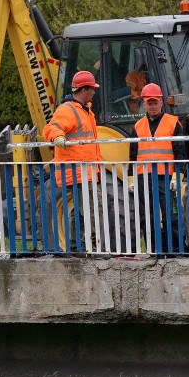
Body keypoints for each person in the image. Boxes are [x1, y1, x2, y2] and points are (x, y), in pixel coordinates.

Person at [42, 70, 122, 252]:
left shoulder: (85, 111)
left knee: (80, 211)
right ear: (84, 89)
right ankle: (94, 247)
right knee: (95, 208)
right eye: (92, 89)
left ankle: (75, 247)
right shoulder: (69, 110)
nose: (94, 92)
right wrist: (58, 137)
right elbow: (51, 127)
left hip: (84, 172)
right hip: (78, 172)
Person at [128, 83, 188, 254]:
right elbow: (133, 155)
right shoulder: (138, 126)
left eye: (155, 103)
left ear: (161, 102)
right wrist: (132, 179)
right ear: (144, 104)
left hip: (166, 178)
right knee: (148, 216)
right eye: (149, 103)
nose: (153, 106)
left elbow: (180, 152)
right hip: (143, 179)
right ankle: (155, 250)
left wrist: (177, 176)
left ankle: (177, 250)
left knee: (172, 216)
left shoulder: (173, 123)